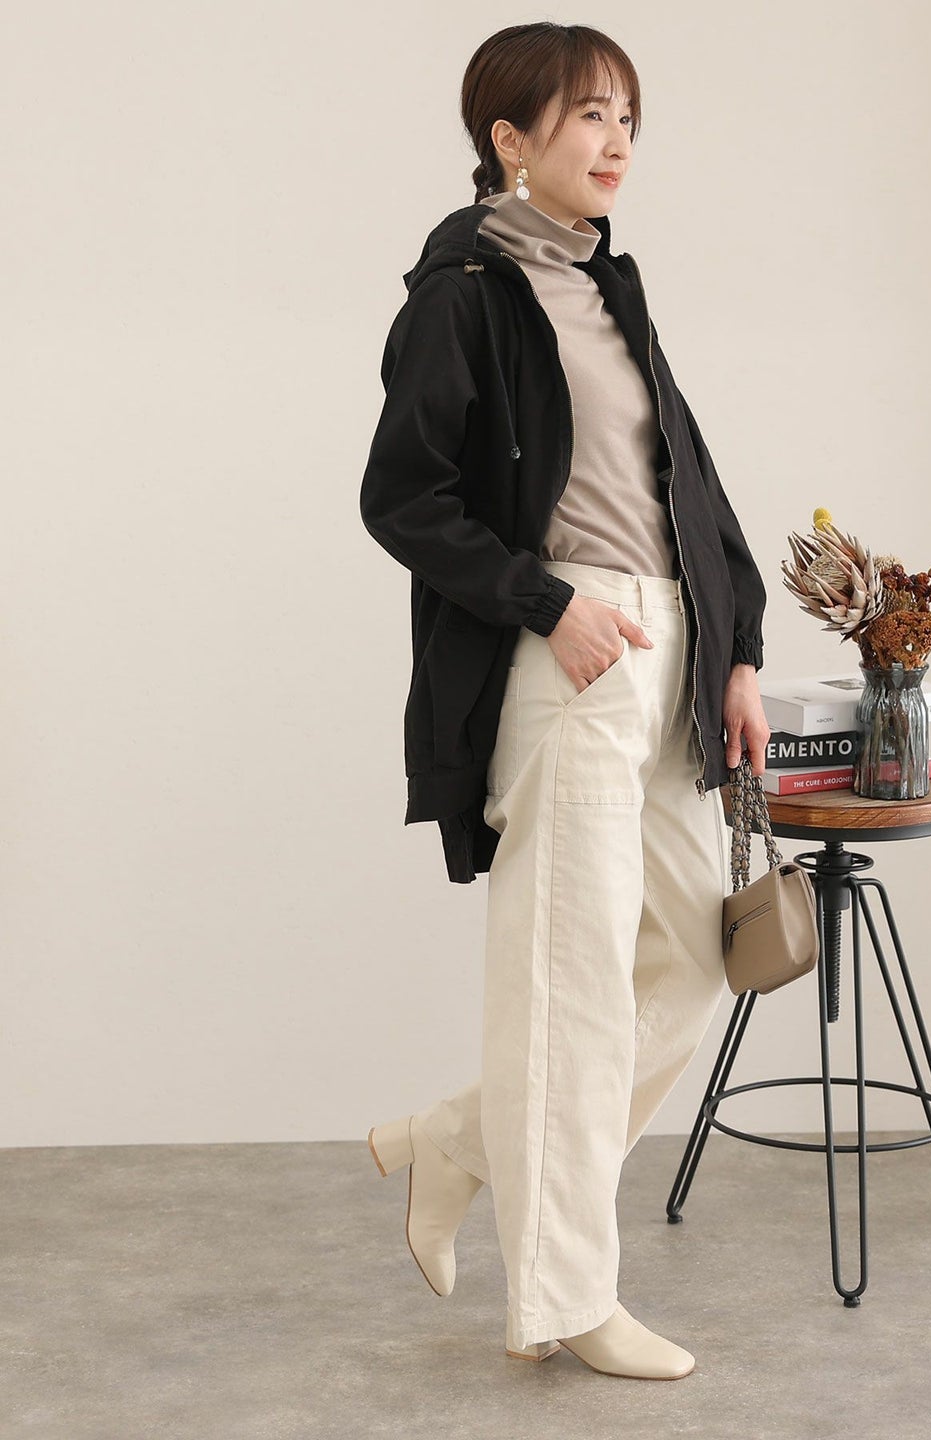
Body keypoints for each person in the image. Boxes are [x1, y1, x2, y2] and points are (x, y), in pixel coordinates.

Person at [359, 23, 770, 1381]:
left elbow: (688, 485)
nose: (617, 142)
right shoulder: (462, 295)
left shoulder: (609, 288)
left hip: (670, 654)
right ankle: (567, 1302)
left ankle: (459, 1142)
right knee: (569, 987)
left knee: (694, 961)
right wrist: (545, 602)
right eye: (590, 114)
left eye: (629, 118)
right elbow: (404, 498)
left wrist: (739, 650)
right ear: (509, 138)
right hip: (570, 656)